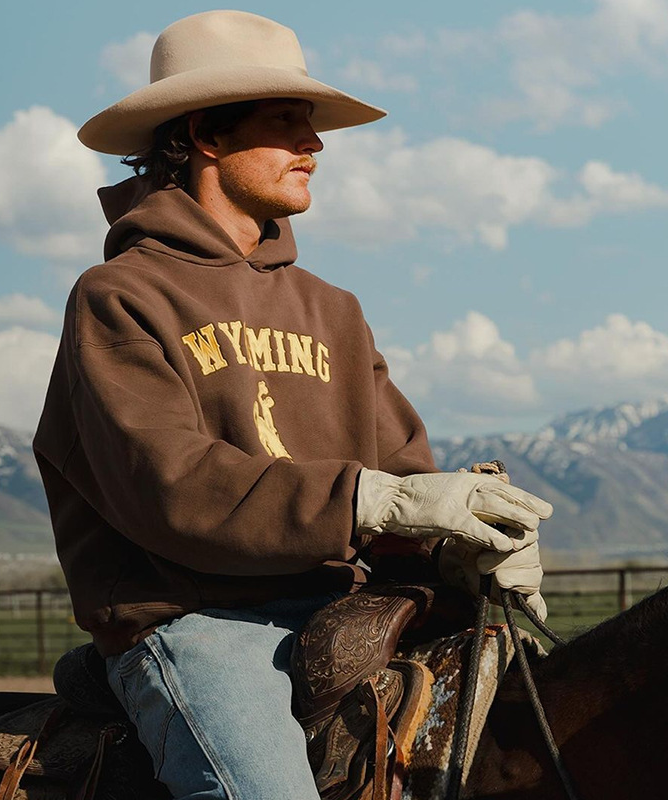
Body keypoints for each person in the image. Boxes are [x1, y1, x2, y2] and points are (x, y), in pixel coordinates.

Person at [33, 10, 552, 799]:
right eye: (287, 123)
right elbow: (168, 484)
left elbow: (404, 477)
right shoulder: (119, 297)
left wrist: (465, 543)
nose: (315, 146)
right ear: (208, 133)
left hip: (344, 613)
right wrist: (372, 498)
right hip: (201, 625)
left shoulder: (334, 309)